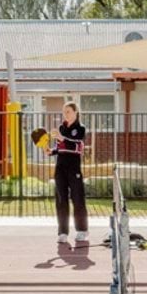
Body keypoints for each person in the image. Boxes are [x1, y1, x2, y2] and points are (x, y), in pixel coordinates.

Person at [51, 102, 89, 246]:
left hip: (74, 168)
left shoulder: (80, 128)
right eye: (64, 111)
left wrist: (62, 138)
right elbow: (59, 147)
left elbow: (77, 147)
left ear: (75, 112)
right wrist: (51, 151)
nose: (65, 114)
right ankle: (62, 233)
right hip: (60, 167)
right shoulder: (61, 128)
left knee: (77, 198)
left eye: (68, 111)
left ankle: (82, 230)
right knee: (61, 200)